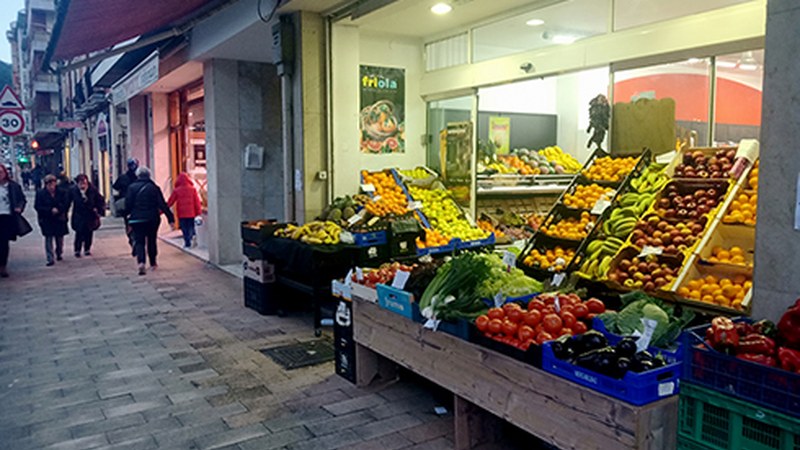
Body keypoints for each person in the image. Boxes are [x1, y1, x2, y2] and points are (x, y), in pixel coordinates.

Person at [126, 166, 174, 275]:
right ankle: (153, 263)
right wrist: (170, 218)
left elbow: (127, 205)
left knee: (139, 241)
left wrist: (128, 218)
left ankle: (141, 262)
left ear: (137, 175)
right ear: (149, 175)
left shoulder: (131, 187)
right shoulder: (154, 188)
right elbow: (162, 204)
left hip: (137, 219)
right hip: (152, 218)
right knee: (152, 240)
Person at [35, 174, 70, 266]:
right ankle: (50, 258)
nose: (51, 187)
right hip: (47, 218)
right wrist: (50, 210)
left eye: (53, 184)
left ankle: (59, 252)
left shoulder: (62, 192)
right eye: (49, 184)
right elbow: (38, 206)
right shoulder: (40, 194)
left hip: (59, 218)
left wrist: (59, 210)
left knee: (59, 238)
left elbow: (66, 203)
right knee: (48, 238)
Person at [0, 164, 27, 277]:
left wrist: (19, 208)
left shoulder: (13, 186)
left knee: (3, 242)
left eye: (1, 172)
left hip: (7, 216)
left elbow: (22, 199)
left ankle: (3, 266)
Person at [70, 174, 105, 257]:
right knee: (79, 232)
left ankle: (87, 249)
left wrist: (99, 210)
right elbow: (68, 201)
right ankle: (77, 250)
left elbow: (100, 200)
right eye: (81, 183)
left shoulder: (92, 189)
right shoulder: (74, 190)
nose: (83, 185)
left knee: (89, 232)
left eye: (84, 183)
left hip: (90, 214)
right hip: (79, 214)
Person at [167, 173, 202, 248]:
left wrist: (161, 211)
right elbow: (197, 202)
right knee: (190, 226)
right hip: (191, 213)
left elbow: (170, 202)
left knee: (184, 228)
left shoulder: (177, 190)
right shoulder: (192, 189)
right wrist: (198, 212)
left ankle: (187, 242)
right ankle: (192, 237)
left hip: (181, 213)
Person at [113, 158, 139, 254]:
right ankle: (136, 239)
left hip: (126, 204)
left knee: (128, 223)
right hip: (137, 204)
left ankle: (132, 239)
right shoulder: (138, 177)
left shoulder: (123, 177)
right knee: (138, 222)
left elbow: (115, 186)